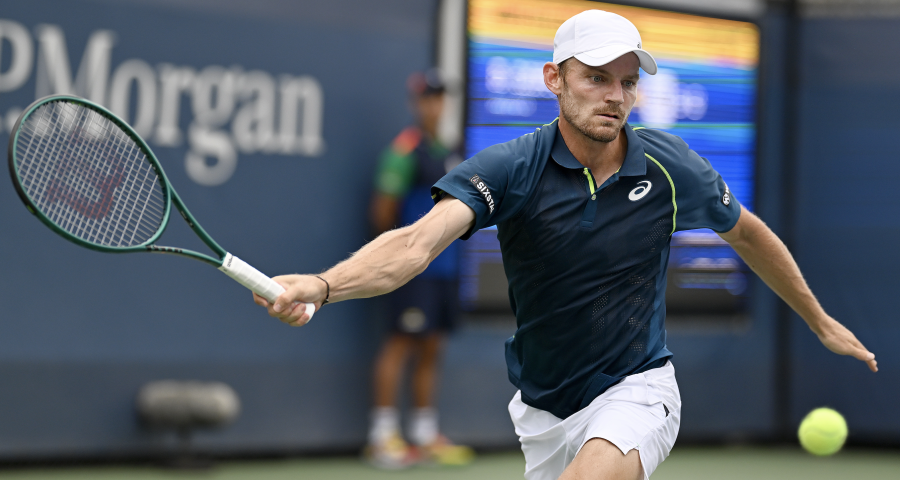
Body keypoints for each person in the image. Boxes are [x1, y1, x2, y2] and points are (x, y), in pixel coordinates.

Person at [254, 10, 877, 480]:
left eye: (627, 82)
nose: (615, 96)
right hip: (544, 411)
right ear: (555, 79)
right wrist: (323, 285)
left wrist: (819, 321)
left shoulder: (670, 166)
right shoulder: (510, 168)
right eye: (596, 78)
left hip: (638, 387)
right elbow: (417, 243)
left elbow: (747, 233)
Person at [363, 69, 473, 468]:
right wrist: (400, 258)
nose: (435, 106)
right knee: (400, 343)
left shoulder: (452, 149)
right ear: (416, 103)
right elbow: (382, 214)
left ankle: (425, 435)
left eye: (441, 98)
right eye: (428, 98)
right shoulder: (404, 152)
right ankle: (382, 438)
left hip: (446, 270)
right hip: (412, 271)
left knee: (433, 345)